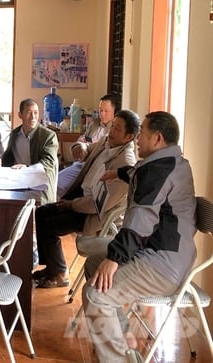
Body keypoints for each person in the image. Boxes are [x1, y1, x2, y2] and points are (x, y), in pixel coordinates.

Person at [83, 111, 197, 361]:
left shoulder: (158, 170)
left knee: (96, 295)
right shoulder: (168, 162)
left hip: (163, 264)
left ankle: (117, 358)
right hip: (168, 254)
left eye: (142, 134)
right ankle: (121, 341)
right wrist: (119, 173)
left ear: (157, 138)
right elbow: (139, 175)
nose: (136, 138)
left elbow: (141, 219)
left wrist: (115, 258)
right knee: (93, 265)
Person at [33, 110, 139, 288]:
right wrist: (80, 147)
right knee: (41, 212)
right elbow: (90, 147)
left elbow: (100, 204)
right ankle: (52, 267)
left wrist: (71, 205)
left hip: (94, 213)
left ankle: (59, 273)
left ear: (129, 136)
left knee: (50, 223)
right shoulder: (108, 141)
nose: (111, 131)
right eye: (112, 126)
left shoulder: (126, 163)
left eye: (117, 129)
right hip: (82, 196)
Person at [2, 98, 58, 204]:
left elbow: (49, 162)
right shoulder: (15, 134)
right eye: (28, 112)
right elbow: (7, 159)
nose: (33, 117)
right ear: (20, 115)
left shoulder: (48, 136)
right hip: (18, 185)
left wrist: (27, 168)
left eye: (35, 113)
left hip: (39, 188)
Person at [71, 93, 119, 160]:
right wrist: (80, 145)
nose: (102, 114)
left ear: (115, 112)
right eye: (100, 110)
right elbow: (83, 138)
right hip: (82, 160)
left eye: (106, 111)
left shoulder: (115, 130)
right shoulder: (94, 123)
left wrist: (87, 146)